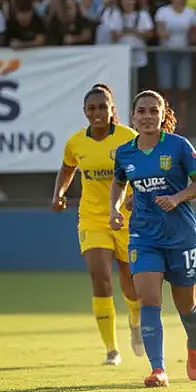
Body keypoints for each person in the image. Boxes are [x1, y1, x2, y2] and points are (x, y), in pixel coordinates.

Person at [110, 90, 196, 388]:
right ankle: (158, 369)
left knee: (186, 307)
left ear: (163, 115)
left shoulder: (179, 146)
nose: (147, 116)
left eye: (154, 111)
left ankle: (193, 344)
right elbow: (119, 183)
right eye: (142, 111)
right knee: (148, 299)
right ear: (133, 116)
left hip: (181, 237)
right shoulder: (125, 152)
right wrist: (115, 207)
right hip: (144, 236)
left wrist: (177, 198)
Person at [54, 83, 144, 366]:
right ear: (84, 111)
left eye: (102, 107)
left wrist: (136, 197)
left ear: (112, 110)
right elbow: (67, 168)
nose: (97, 113)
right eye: (91, 108)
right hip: (93, 218)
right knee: (100, 276)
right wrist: (59, 193)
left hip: (128, 220)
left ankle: (135, 321)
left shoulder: (129, 138)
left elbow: (145, 171)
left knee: (131, 284)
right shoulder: (76, 142)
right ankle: (111, 350)